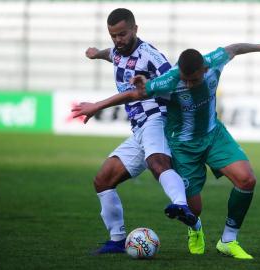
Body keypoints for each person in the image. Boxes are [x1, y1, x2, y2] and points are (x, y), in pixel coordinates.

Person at [72, 40, 260, 259]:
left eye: (195, 79)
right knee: (193, 210)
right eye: (186, 79)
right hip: (183, 146)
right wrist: (97, 105)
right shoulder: (169, 80)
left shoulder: (215, 61)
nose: (190, 84)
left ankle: (228, 240)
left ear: (205, 69)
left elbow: (235, 49)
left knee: (247, 180)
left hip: (214, 135)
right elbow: (134, 94)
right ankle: (195, 228)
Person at [80, 8, 197, 255]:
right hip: (138, 130)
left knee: (157, 163)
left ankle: (181, 205)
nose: (118, 40)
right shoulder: (117, 51)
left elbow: (175, 80)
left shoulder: (150, 56)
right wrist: (95, 54)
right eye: (113, 35)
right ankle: (116, 240)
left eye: (122, 34)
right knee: (103, 180)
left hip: (157, 119)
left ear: (135, 29)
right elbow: (110, 54)